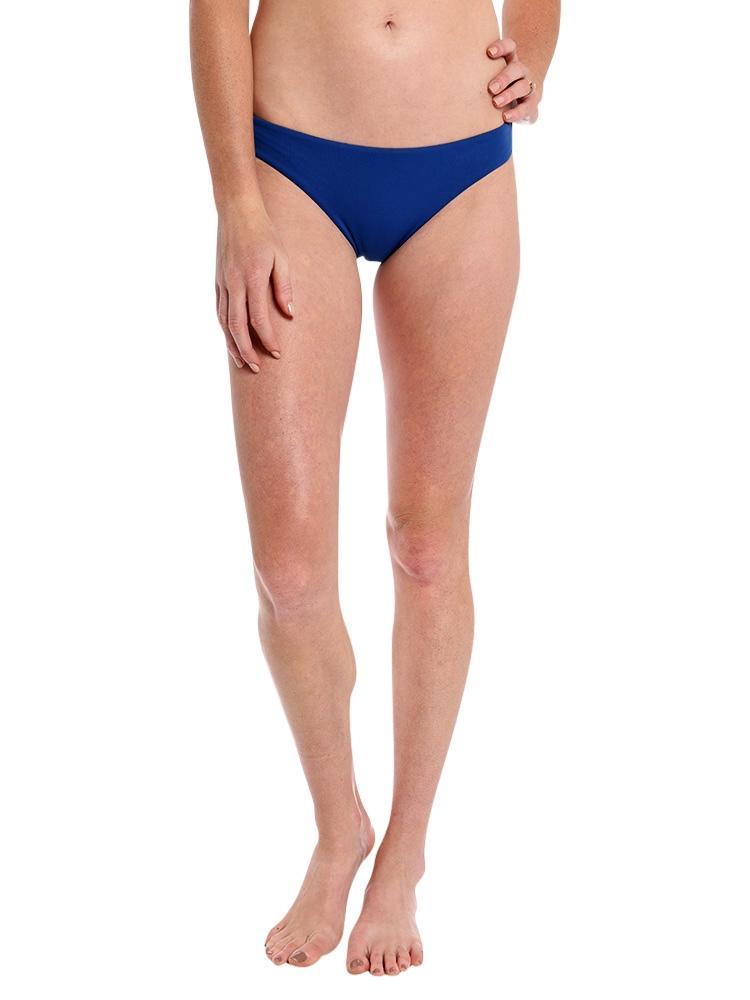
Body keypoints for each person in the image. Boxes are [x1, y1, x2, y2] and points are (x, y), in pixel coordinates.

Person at [190, 0, 560, 976]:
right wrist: (235, 204)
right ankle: (337, 825)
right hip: (290, 161)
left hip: (460, 164)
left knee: (427, 546)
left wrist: (536, 52)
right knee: (288, 572)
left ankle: (404, 852)